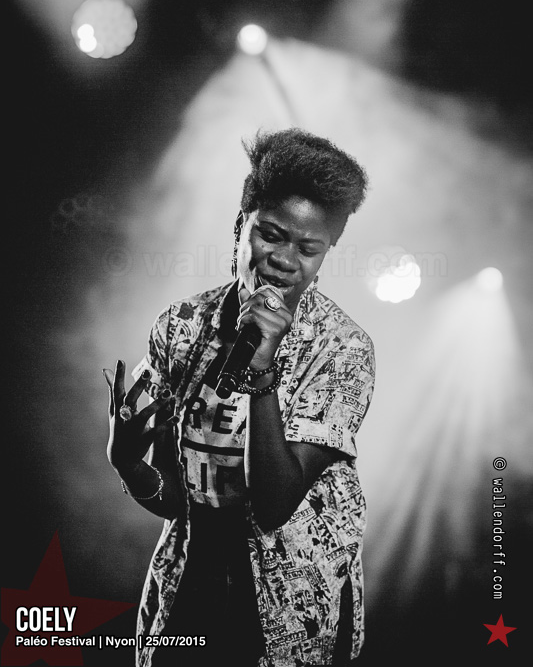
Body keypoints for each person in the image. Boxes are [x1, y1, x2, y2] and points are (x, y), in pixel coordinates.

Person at [104, 128, 376, 667]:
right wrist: (128, 466)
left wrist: (262, 372)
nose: (284, 261)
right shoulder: (181, 327)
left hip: (290, 601)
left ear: (326, 254)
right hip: (193, 579)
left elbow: (274, 506)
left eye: (308, 249)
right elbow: (175, 501)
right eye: (270, 236)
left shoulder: (342, 348)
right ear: (239, 228)